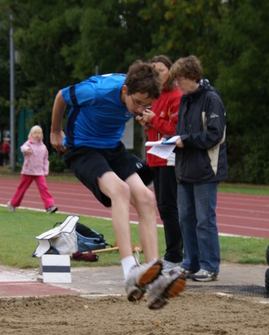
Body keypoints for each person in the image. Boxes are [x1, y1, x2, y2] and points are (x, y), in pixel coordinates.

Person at [50, 60, 186, 309]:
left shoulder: (139, 93)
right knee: (120, 190)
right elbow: (61, 96)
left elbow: (139, 107)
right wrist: (55, 130)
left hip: (112, 149)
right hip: (83, 148)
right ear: (125, 91)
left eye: (147, 106)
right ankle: (129, 272)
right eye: (137, 104)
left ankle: (154, 279)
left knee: (146, 198)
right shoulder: (97, 89)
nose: (140, 110)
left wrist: (144, 114)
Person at [170, 55, 227, 282]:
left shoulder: (211, 99)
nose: (177, 84)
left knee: (205, 219)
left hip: (205, 170)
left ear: (193, 77)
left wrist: (187, 141)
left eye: (180, 79)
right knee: (186, 218)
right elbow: (182, 132)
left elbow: (215, 134)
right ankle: (190, 263)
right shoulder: (185, 100)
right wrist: (169, 141)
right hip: (184, 170)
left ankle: (210, 266)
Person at [136, 55, 183, 270]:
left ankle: (175, 254)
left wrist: (153, 119)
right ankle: (174, 251)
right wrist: (146, 123)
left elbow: (175, 130)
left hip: (170, 158)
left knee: (168, 206)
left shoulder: (175, 96)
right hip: (154, 156)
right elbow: (154, 129)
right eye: (153, 70)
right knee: (161, 206)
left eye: (161, 70)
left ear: (171, 71)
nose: (157, 74)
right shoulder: (153, 96)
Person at [8, 125, 58, 214]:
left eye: (39, 133)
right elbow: (22, 148)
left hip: (39, 172)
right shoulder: (28, 144)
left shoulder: (43, 147)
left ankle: (49, 206)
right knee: (22, 188)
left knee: (44, 188)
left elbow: (46, 160)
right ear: (31, 134)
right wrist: (27, 150)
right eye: (35, 133)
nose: (37, 135)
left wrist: (45, 170)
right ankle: (13, 204)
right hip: (28, 171)